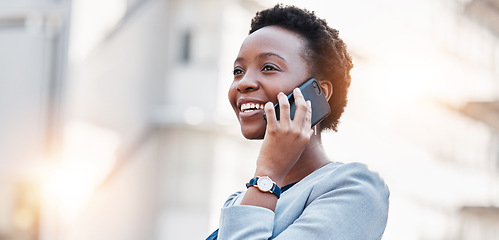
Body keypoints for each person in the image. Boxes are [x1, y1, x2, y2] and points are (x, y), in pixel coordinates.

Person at [207, 4, 389, 240]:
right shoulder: (239, 200)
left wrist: (269, 175)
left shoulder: (356, 189)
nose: (243, 83)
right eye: (238, 71)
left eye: (268, 67)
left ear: (318, 93)